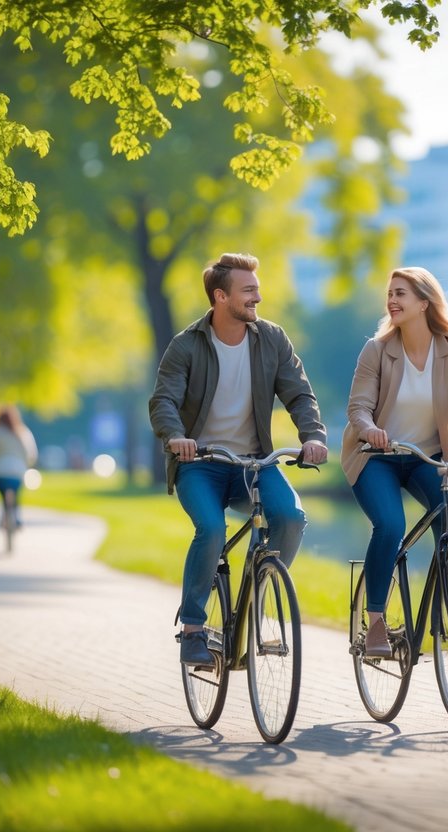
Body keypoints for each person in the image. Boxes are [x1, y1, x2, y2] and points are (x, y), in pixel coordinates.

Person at [149, 252, 328, 666]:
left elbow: (299, 393)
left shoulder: (272, 339)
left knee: (291, 518)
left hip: (253, 464)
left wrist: (313, 436)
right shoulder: (186, 346)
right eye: (248, 291)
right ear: (220, 296)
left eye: (257, 289)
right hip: (201, 464)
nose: (257, 298)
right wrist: (177, 437)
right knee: (211, 528)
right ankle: (193, 627)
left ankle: (258, 592)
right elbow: (164, 400)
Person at [341, 266, 448, 657]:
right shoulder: (377, 350)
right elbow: (359, 407)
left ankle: (437, 603)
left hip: (427, 456)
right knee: (390, 525)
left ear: (424, 302)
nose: (392, 300)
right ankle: (375, 623)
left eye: (401, 293)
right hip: (377, 457)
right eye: (390, 293)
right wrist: (370, 429)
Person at [0, 405, 38, 528]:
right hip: (18, 471)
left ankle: (5, 515)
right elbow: (31, 454)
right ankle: (16, 517)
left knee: (2, 492)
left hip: (1, 471)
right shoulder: (22, 432)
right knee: (16, 492)